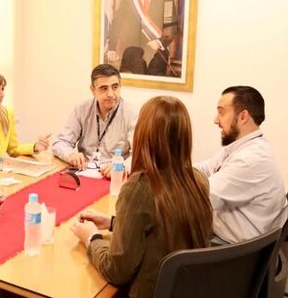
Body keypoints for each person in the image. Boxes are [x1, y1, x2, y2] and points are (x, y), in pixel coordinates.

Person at [70, 96, 212, 297]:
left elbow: (117, 270)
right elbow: (163, 227)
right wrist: (113, 222)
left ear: (143, 134)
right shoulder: (198, 180)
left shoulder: (140, 188)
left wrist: (91, 238)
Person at [194, 86, 287, 244]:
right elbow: (207, 167)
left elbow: (200, 198)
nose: (216, 120)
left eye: (221, 112)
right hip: (234, 237)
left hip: (235, 252)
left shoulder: (250, 160)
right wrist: (174, 170)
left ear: (243, 116)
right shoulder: (244, 146)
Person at [52, 64, 137, 177]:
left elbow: (140, 155)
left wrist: (121, 165)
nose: (110, 94)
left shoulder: (131, 113)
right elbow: (60, 142)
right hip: (85, 172)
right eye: (104, 88)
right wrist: (71, 155)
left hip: (114, 176)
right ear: (93, 90)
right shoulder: (81, 109)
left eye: (115, 87)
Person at [107, 0, 178, 71]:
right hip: (133, 54)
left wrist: (160, 42)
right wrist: (112, 47)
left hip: (157, 53)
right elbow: (117, 22)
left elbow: (171, 25)